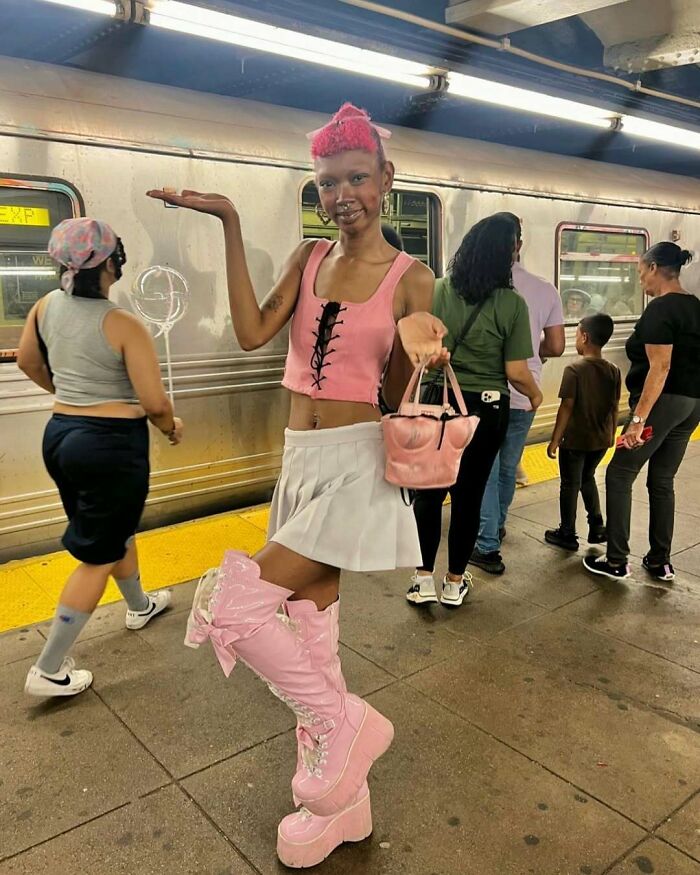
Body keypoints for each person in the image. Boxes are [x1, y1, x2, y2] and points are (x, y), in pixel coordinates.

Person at [148, 102, 449, 869]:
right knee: (314, 638)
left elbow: (404, 374)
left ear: (386, 179)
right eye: (327, 182)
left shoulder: (416, 280)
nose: (342, 193)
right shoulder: (308, 261)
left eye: (356, 177)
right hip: (300, 463)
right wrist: (228, 221)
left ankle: (346, 725)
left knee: (229, 604)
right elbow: (252, 332)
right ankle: (343, 803)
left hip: (354, 461)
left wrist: (424, 344)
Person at [17, 218, 181, 698]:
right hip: (110, 446)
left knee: (112, 531)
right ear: (111, 262)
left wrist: (67, 395)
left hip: (62, 435)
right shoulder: (123, 325)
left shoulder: (45, 307)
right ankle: (48, 668)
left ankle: (140, 605)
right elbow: (154, 404)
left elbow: (29, 361)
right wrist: (172, 429)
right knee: (97, 554)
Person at [408, 214, 543, 608]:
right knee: (469, 495)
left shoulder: (435, 291)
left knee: (429, 496)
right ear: (510, 252)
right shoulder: (512, 304)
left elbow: (417, 349)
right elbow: (516, 372)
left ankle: (421, 580)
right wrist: (535, 396)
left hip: (437, 404)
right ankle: (453, 582)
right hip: (485, 411)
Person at [583, 242, 700, 582]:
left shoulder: (661, 310)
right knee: (662, 480)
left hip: (662, 405)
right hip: (691, 405)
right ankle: (660, 561)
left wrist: (637, 421)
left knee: (619, 472)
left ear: (653, 268)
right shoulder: (695, 307)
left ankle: (617, 560)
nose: (640, 282)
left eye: (639, 273)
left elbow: (659, 368)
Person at [472, 213, 565, 574]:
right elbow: (556, 346)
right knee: (508, 467)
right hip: (526, 393)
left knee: (486, 470)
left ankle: (487, 544)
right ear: (518, 247)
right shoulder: (544, 289)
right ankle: (495, 526)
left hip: (484, 394)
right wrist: (531, 349)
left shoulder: (475, 285)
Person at [545, 313, 620, 550]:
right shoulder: (613, 370)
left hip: (575, 440)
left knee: (569, 483)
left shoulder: (574, 369)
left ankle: (567, 532)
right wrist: (611, 435)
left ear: (584, 337)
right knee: (587, 477)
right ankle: (597, 526)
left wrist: (555, 439)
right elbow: (615, 406)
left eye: (577, 334)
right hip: (600, 439)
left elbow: (566, 406)